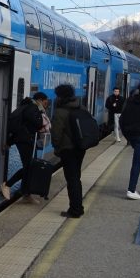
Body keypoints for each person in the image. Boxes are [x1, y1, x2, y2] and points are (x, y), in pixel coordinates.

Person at [1, 92, 49, 202]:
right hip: (25, 141)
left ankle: (26, 194)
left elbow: (24, 126)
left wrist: (9, 142)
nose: (46, 104)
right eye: (46, 102)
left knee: (31, 167)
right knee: (29, 167)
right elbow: (38, 123)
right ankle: (7, 185)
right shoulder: (32, 108)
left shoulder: (29, 107)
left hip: (27, 140)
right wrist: (42, 113)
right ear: (40, 100)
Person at [49, 83, 84, 218]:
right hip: (80, 148)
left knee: (72, 180)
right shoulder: (81, 107)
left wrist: (57, 148)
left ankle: (75, 210)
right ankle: (78, 207)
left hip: (67, 149)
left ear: (60, 96)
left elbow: (56, 134)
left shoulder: (60, 112)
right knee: (76, 178)